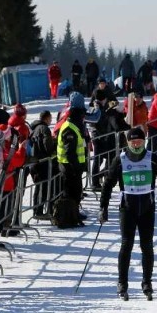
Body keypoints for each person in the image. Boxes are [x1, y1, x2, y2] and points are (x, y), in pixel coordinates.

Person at [99, 127, 157, 300]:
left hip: (147, 207)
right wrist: (104, 207)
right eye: (133, 142)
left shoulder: (153, 158)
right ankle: (122, 283)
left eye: (139, 141)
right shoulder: (121, 159)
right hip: (127, 208)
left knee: (147, 246)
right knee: (126, 244)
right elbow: (108, 183)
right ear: (128, 143)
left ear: (144, 141)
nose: (136, 144)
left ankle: (147, 282)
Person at [56, 93, 88, 222]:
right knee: (71, 192)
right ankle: (69, 217)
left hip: (73, 166)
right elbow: (70, 152)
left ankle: (74, 213)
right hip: (69, 166)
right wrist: (75, 167)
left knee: (75, 192)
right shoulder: (70, 128)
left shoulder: (73, 124)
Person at [28, 110, 56, 219]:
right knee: (43, 186)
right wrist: (52, 148)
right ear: (46, 118)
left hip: (34, 162)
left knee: (38, 186)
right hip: (41, 161)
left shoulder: (34, 128)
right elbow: (47, 144)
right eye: (50, 118)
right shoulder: (44, 129)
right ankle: (39, 211)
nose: (51, 120)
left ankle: (37, 210)